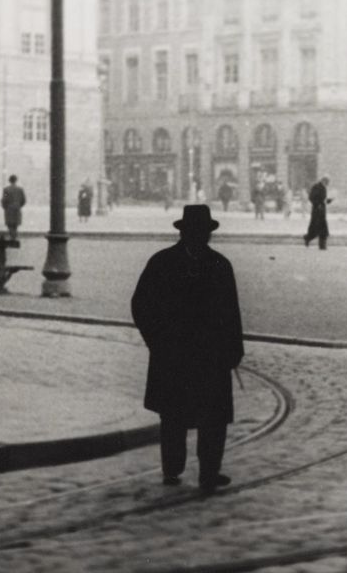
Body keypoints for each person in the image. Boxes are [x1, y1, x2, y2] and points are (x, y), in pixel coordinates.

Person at [131, 205, 244, 493]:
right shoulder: (162, 263)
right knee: (173, 414)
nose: (202, 237)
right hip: (174, 353)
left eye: (204, 232)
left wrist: (234, 349)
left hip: (211, 355)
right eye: (197, 232)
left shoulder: (220, 265)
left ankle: (209, 472)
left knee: (213, 417)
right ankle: (172, 468)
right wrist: (156, 340)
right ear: (185, 233)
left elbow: (231, 312)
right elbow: (141, 305)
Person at [303, 176, 333, 250]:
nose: (327, 184)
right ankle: (308, 238)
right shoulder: (316, 187)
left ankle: (321, 245)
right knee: (316, 228)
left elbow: (323, 200)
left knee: (322, 229)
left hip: (322, 211)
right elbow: (311, 197)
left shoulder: (323, 188)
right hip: (316, 211)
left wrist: (329, 201)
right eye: (327, 182)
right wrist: (317, 204)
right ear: (323, 181)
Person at [1, 175, 27, 240]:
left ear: (9, 180)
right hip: (17, 208)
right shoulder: (20, 189)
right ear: (16, 180)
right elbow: (23, 200)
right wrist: (19, 205)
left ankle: (12, 237)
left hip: (9, 209)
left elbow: (4, 200)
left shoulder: (6, 189)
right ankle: (14, 237)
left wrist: (5, 207)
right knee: (15, 224)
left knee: (10, 224)